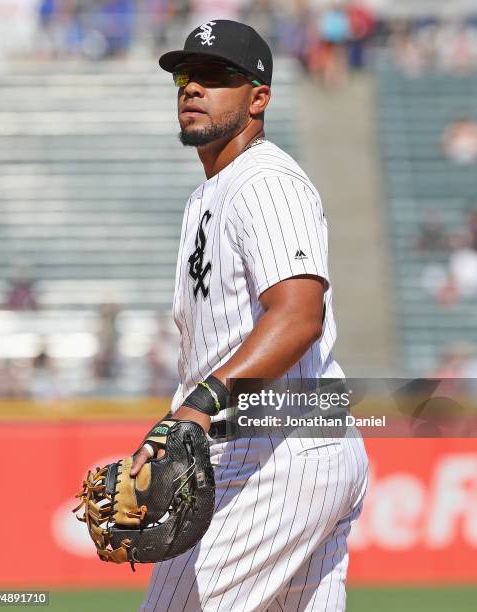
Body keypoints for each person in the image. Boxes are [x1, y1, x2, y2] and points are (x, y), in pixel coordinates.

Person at [131, 20, 368, 611]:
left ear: (258, 96)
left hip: (277, 449)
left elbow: (297, 316)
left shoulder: (266, 181)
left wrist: (196, 408)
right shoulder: (211, 192)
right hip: (288, 444)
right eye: (186, 75)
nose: (192, 88)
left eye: (214, 76)